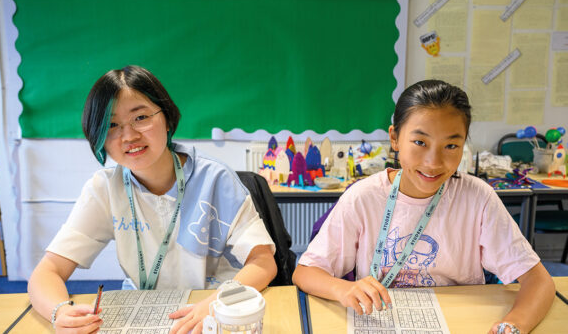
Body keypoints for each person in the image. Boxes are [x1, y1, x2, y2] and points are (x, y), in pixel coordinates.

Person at [27, 65, 277, 334]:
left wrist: (216, 303)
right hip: (145, 315)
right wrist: (60, 313)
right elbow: (47, 271)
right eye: (111, 125)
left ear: (167, 118)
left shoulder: (215, 179)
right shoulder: (104, 189)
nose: (129, 136)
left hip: (211, 312)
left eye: (141, 117)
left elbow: (263, 262)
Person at [293, 80, 555, 334]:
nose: (433, 162)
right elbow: (305, 273)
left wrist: (512, 325)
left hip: (460, 321)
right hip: (382, 322)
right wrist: (342, 288)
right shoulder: (364, 197)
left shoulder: (478, 198)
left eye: (451, 145)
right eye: (420, 142)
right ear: (395, 139)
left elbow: (538, 281)